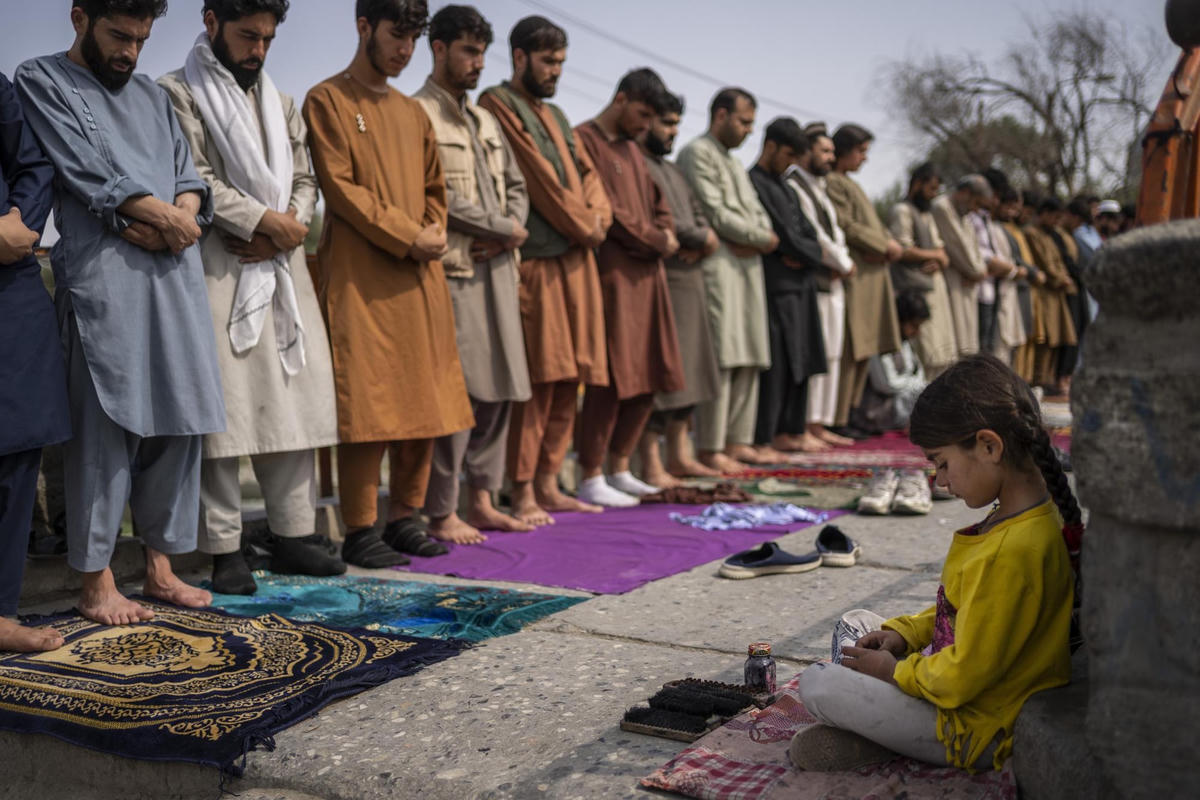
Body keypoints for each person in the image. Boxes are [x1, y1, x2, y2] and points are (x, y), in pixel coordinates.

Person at [16, 0, 225, 625]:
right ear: (80, 17)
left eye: (142, 38)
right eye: (118, 35)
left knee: (179, 420)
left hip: (174, 274)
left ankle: (159, 568)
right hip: (103, 280)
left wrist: (177, 218)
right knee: (103, 426)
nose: (131, 51)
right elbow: (88, 174)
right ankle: (96, 577)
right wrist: (166, 217)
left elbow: (189, 177)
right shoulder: (41, 78)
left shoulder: (154, 96)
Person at [791, 354, 1078, 773]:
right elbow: (962, 611)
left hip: (971, 726)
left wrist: (895, 672)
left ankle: (887, 737)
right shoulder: (1027, 517)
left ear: (988, 445)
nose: (940, 481)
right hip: (958, 692)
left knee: (817, 681)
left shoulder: (1014, 550)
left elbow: (963, 677)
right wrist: (903, 635)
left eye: (942, 463)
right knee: (859, 623)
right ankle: (881, 730)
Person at [159, 0, 343, 595]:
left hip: (282, 267)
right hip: (218, 265)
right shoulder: (176, 93)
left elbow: (307, 179)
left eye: (267, 38)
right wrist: (265, 221)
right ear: (210, 22)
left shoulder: (281, 101)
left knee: (290, 403)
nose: (258, 50)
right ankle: (224, 550)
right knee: (225, 412)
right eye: (246, 36)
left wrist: (291, 226)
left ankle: (293, 535)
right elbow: (194, 176)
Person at [304, 0, 472, 567]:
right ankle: (358, 528)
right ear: (363, 27)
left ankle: (405, 517)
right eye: (395, 36)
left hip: (419, 273)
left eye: (412, 39)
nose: (405, 50)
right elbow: (342, 190)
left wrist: (434, 230)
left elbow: (435, 188)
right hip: (361, 275)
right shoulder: (326, 99)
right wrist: (409, 234)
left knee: (424, 395)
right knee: (367, 402)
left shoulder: (412, 112)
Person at [478, 15, 612, 524]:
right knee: (539, 379)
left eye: (560, 62)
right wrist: (588, 225)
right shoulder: (498, 104)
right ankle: (522, 488)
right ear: (519, 58)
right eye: (548, 60)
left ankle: (550, 481)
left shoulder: (556, 114)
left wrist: (598, 219)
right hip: (540, 263)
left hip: (578, 261)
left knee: (570, 376)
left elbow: (588, 176)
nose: (555, 70)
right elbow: (540, 183)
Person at [413, 5, 533, 543]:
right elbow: (437, 192)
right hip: (458, 270)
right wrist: (499, 227)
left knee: (502, 387)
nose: (477, 63)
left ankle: (482, 498)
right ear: (438, 49)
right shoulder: (419, 113)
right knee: (458, 393)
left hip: (501, 267)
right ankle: (442, 510)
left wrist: (510, 227)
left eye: (482, 53)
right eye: (468, 51)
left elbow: (517, 187)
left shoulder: (485, 119)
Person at [572, 68, 685, 507]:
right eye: (641, 114)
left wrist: (665, 231)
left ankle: (620, 467)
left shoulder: (635, 151)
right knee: (612, 377)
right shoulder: (586, 139)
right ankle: (590, 473)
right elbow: (611, 213)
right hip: (614, 275)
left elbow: (661, 207)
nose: (644, 125)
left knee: (650, 373)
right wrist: (660, 240)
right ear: (621, 99)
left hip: (649, 278)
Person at [0, 71, 71, 651]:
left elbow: (33, 164)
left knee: (18, 440)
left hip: (7, 275)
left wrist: (21, 222)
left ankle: (0, 613)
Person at [677, 88, 780, 472]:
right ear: (721, 115)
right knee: (723, 355)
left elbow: (759, 215)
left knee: (750, 353)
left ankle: (737, 441)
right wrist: (758, 238)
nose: (748, 131)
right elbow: (715, 213)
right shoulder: (696, 153)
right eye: (744, 122)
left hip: (747, 264)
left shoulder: (735, 163)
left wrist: (759, 237)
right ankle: (710, 446)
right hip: (721, 263)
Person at [637, 93, 723, 488]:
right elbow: (664, 222)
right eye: (666, 123)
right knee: (660, 377)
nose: (672, 132)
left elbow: (700, 216)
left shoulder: (673, 171)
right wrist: (697, 237)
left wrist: (701, 237)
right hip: (661, 282)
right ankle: (651, 462)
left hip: (690, 281)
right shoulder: (638, 164)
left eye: (675, 124)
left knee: (690, 376)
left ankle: (680, 455)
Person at [748, 117, 827, 454]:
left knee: (803, 358)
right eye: (788, 154)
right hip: (777, 286)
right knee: (779, 364)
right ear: (771, 147)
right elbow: (785, 236)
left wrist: (805, 254)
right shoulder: (754, 182)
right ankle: (769, 434)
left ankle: (793, 430)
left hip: (802, 284)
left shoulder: (787, 187)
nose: (792, 163)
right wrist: (799, 251)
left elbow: (811, 239)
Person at [825, 123, 902, 438]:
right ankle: (838, 417)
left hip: (873, 275)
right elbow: (847, 226)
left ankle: (852, 413)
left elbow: (871, 226)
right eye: (861, 151)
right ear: (844, 150)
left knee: (864, 351)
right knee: (850, 348)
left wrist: (889, 244)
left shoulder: (850, 183)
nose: (864, 159)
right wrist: (884, 246)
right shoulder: (833, 183)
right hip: (857, 275)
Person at [786, 123, 856, 448]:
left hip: (835, 279)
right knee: (818, 352)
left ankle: (820, 423)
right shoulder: (795, 184)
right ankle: (807, 424)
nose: (830, 157)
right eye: (824, 151)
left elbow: (837, 233)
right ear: (806, 152)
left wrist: (844, 261)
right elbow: (816, 235)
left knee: (832, 354)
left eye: (831, 151)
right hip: (819, 278)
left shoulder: (820, 186)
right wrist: (843, 263)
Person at [887, 163, 956, 380]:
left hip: (935, 289)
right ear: (918, 184)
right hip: (914, 291)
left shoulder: (926, 214)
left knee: (942, 352)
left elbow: (941, 250)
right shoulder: (902, 211)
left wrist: (940, 259)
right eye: (931, 188)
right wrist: (934, 256)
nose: (934, 194)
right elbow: (901, 248)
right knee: (924, 351)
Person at [1021, 195, 1078, 395]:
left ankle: (1045, 380)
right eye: (1053, 217)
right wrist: (1060, 278)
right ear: (1043, 214)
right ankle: (1036, 381)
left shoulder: (1050, 234)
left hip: (1057, 293)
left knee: (1057, 339)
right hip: (1045, 293)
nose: (1055, 222)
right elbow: (1044, 262)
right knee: (1043, 338)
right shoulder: (1032, 233)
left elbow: (1060, 261)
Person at [930, 175, 990, 357]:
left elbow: (975, 250)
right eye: (976, 203)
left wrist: (979, 271)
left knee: (968, 344)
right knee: (955, 347)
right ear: (964, 193)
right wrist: (977, 271)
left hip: (967, 282)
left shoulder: (965, 214)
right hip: (953, 283)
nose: (975, 209)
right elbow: (959, 246)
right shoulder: (942, 207)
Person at [854, 291, 930, 433]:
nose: (917, 332)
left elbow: (918, 372)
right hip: (878, 407)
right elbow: (885, 384)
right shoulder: (879, 342)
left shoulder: (906, 342)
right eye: (914, 325)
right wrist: (915, 386)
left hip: (901, 397)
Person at [994, 187, 1045, 385]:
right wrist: (1032, 273)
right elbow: (1012, 260)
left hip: (1020, 289)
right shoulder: (999, 228)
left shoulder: (1014, 230)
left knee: (1018, 339)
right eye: (1011, 207)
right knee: (1002, 342)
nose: (1013, 213)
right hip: (1005, 290)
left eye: (1017, 208)